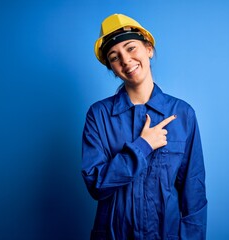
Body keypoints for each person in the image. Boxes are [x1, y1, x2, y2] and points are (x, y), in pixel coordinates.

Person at [81, 13, 207, 240]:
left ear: (148, 48)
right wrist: (143, 146)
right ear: (111, 67)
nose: (126, 60)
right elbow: (96, 185)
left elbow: (194, 193)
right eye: (114, 57)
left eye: (131, 48)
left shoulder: (182, 114)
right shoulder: (98, 115)